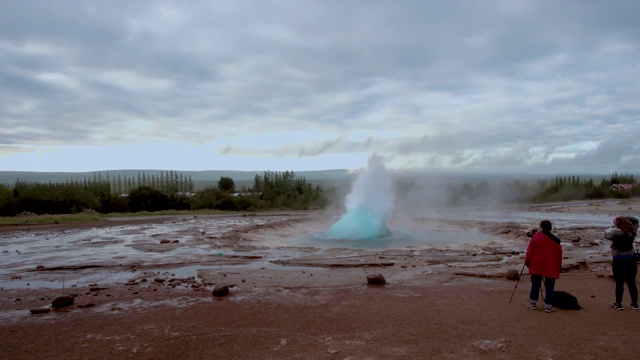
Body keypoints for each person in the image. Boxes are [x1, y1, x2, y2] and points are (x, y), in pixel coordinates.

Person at [525, 220, 563, 313]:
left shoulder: (536, 237)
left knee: (535, 285)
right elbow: (559, 254)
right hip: (551, 265)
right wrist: (559, 266)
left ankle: (532, 304)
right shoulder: (556, 240)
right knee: (550, 287)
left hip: (537, 264)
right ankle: (548, 307)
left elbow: (530, 251)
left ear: (541, 226)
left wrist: (527, 262)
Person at [604, 216, 638, 310]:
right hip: (630, 259)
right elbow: (636, 220)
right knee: (631, 282)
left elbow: (606, 235)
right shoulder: (631, 231)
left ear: (617, 224)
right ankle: (634, 303)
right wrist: (624, 217)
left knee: (619, 283)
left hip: (618, 260)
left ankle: (618, 303)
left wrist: (612, 227)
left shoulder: (615, 232)